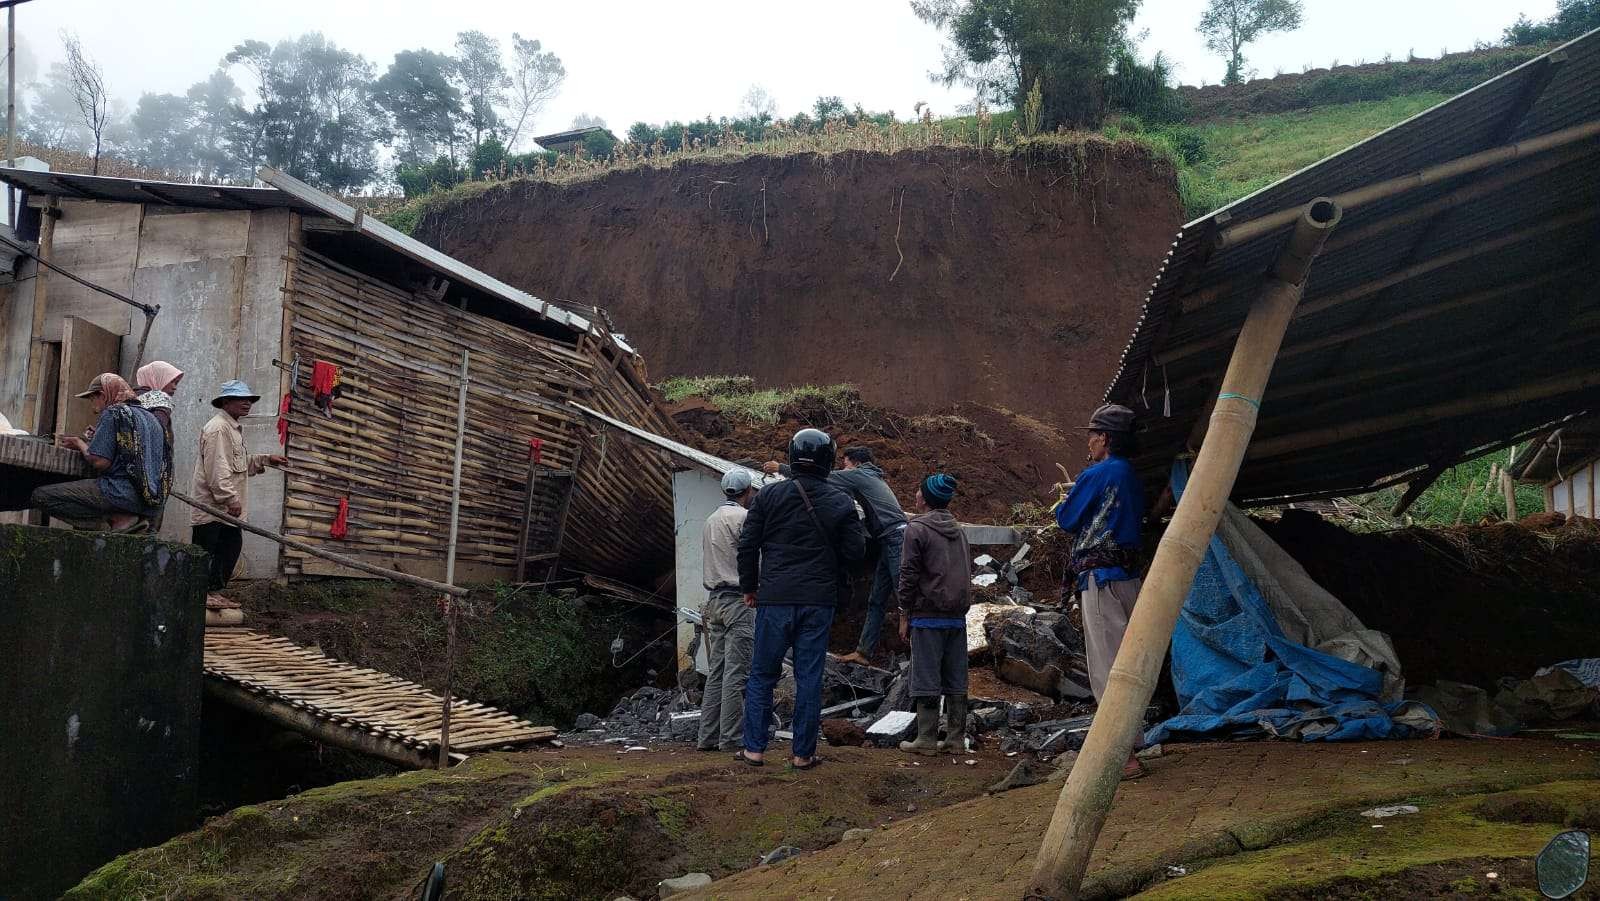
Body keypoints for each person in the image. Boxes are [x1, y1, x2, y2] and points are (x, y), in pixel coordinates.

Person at [737, 428, 866, 769]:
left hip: (774, 598)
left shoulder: (767, 497)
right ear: (827, 461)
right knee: (810, 676)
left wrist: (750, 587)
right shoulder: (841, 501)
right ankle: (802, 754)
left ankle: (754, 749)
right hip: (818, 600)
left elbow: (748, 545)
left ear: (792, 457)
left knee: (762, 674)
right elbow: (856, 553)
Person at [1056, 403, 1147, 779]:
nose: (1089, 442)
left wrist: (1068, 496)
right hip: (1129, 578)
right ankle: (1131, 741)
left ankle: (1120, 755)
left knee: (1107, 668)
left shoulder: (1099, 472)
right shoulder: (1132, 475)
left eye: (1092, 435)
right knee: (1130, 666)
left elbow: (1067, 519)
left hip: (1101, 581)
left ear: (1105, 439)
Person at [763, 445, 907, 664]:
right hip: (890, 539)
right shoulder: (871, 477)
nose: (843, 468)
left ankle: (923, 652)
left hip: (896, 539)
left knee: (904, 596)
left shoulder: (859, 475)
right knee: (877, 599)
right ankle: (864, 652)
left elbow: (821, 476)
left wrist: (781, 468)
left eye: (845, 464)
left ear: (856, 464)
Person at [29, 373, 171, 531]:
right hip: (151, 503)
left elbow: (100, 461)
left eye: (92, 399)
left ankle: (117, 519)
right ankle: (125, 520)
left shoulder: (113, 412)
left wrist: (79, 443)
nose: (92, 406)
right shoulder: (150, 418)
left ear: (103, 395)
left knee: (40, 496)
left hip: (120, 493)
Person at [895, 473, 973, 755]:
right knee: (956, 677)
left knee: (926, 675)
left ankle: (926, 738)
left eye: (918, 491)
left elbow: (908, 574)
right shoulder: (959, 530)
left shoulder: (916, 530)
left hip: (927, 614)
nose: (915, 495)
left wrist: (904, 612)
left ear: (925, 499)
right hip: (957, 616)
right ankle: (955, 738)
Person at [192, 380, 286, 593]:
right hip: (214, 509)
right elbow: (217, 468)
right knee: (208, 556)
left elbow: (238, 464)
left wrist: (265, 459)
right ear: (226, 402)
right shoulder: (218, 429)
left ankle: (212, 595)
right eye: (241, 399)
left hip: (225, 509)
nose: (247, 403)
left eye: (249, 400)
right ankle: (201, 598)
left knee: (228, 551)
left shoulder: (231, 428)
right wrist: (229, 498)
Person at [696, 469, 758, 752]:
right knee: (736, 673)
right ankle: (731, 737)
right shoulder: (744, 518)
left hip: (714, 601)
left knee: (716, 673)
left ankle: (706, 737)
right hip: (737, 601)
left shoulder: (710, 520)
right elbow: (751, 557)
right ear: (748, 492)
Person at [134, 360, 184, 436]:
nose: (174, 387)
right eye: (171, 381)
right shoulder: (161, 401)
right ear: (156, 378)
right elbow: (156, 432)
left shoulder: (129, 397)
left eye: (176, 383)